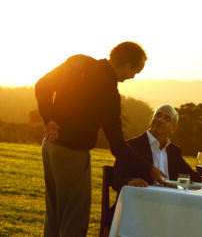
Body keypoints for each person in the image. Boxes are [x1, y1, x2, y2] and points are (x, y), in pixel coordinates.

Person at [35, 41, 165, 237]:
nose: (132, 77)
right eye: (135, 71)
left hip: (50, 147)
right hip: (73, 155)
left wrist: (50, 120)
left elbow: (42, 85)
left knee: (53, 217)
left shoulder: (79, 62)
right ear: (127, 65)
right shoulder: (109, 94)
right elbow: (118, 146)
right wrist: (149, 168)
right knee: (74, 221)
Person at [105, 104, 202, 228]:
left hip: (168, 215)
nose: (160, 120)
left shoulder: (174, 152)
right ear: (151, 119)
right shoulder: (131, 147)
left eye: (167, 118)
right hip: (135, 215)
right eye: (158, 115)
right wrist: (129, 181)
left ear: (174, 128)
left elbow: (193, 177)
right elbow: (116, 180)